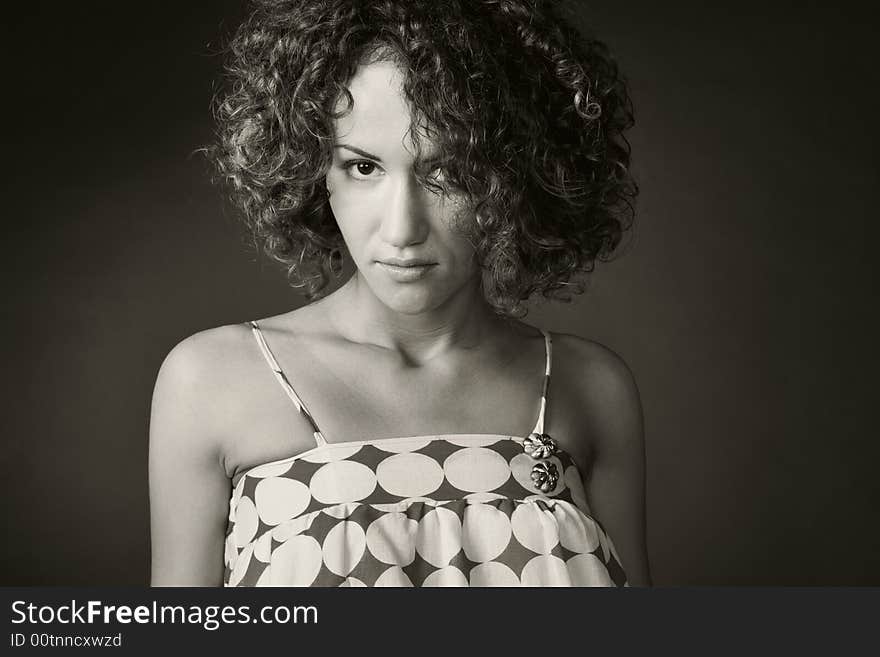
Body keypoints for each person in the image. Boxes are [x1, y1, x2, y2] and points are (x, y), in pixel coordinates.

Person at [149, 0, 650, 587]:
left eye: (450, 173)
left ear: (520, 177)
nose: (402, 228)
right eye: (363, 168)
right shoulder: (212, 379)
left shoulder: (587, 386)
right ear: (312, 170)